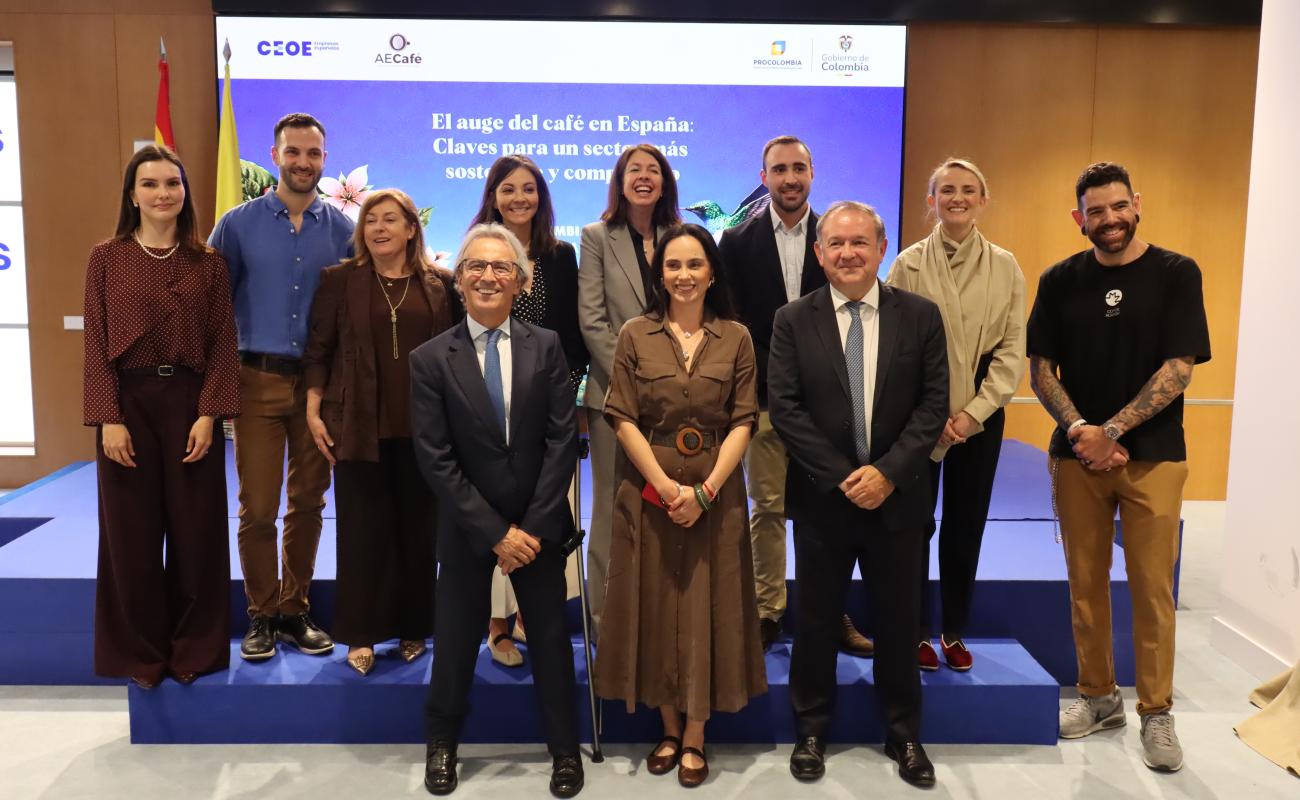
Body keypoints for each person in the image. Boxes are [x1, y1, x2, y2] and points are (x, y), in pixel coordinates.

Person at [1027, 162, 1210, 772]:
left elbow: (1179, 368)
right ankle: (1098, 696)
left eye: (1117, 207)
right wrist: (1083, 431)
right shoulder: (1059, 280)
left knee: (1152, 590)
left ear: (1137, 204)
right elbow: (1041, 370)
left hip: (1154, 458)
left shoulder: (1177, 272)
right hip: (1078, 457)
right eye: (1095, 211)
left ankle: (1156, 712)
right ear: (1078, 218)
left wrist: (1112, 432)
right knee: (1085, 585)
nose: (1109, 219)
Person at [769, 201, 948, 788]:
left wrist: (887, 474)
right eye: (836, 244)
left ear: (881, 248)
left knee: (899, 622)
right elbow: (785, 408)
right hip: (824, 500)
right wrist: (844, 475)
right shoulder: (792, 320)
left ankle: (903, 734)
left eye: (859, 242)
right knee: (816, 622)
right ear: (819, 253)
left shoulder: (920, 316)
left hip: (898, 499)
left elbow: (933, 406)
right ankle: (811, 731)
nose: (848, 253)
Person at [411, 224, 583, 798]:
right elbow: (434, 456)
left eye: (501, 267)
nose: (488, 277)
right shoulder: (430, 359)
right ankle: (442, 743)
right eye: (476, 268)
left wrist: (530, 528)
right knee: (455, 641)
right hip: (468, 527)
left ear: (520, 282)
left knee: (552, 642)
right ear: (459, 281)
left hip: (539, 526)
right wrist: (494, 532)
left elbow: (562, 439)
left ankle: (564, 750)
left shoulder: (548, 346)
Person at [593, 223, 767, 788]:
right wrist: (666, 489)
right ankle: (668, 729)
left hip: (718, 492)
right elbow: (622, 416)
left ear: (712, 272)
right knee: (656, 602)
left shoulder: (736, 337)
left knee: (703, 606)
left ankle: (695, 733)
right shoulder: (634, 335)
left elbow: (744, 420)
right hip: (649, 494)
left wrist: (706, 491)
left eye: (695, 264)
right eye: (673, 265)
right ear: (660, 274)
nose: (684, 275)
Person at [82, 144, 240, 688]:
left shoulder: (208, 263)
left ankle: (195, 646)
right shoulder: (106, 258)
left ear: (184, 192)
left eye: (172, 183)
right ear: (132, 195)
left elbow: (223, 344)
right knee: (132, 535)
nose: (162, 193)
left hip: (191, 406)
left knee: (197, 532)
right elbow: (96, 343)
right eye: (150, 184)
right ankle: (141, 652)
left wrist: (210, 414)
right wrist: (108, 417)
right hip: (127, 406)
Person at [209, 112, 354, 661]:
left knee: (309, 503)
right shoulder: (236, 225)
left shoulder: (344, 231)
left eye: (313, 153)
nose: (303, 162)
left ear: (324, 159)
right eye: (293, 152)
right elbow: (212, 307)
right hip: (255, 380)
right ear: (275, 156)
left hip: (318, 390)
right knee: (258, 507)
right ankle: (262, 614)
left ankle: (295, 610)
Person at [721, 135, 873, 657]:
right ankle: (767, 611)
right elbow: (733, 324)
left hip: (829, 403)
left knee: (829, 510)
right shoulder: (735, 243)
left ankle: (829, 612)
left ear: (812, 173)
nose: (789, 178)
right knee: (765, 509)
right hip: (764, 401)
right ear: (763, 177)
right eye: (779, 169)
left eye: (798, 168)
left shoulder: (836, 238)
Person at [302, 189, 460, 675]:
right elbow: (319, 349)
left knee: (419, 532)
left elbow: (456, 354)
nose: (379, 229)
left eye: (390, 220)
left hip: (425, 428)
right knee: (362, 532)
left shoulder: (441, 284)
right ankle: (362, 633)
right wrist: (313, 409)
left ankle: (413, 627)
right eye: (371, 220)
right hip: (356, 425)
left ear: (412, 229)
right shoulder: (338, 280)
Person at [886, 158, 1026, 672]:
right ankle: (915, 631)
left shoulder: (1006, 266)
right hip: (919, 412)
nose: (958, 198)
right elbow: (897, 346)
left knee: (966, 525)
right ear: (932, 200)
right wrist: (934, 413)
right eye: (947, 190)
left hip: (979, 416)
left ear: (983, 200)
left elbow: (1011, 350)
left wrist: (972, 413)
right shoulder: (907, 264)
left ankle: (953, 630)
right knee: (914, 524)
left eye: (968, 190)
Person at [468, 155, 588, 667]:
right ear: (493, 197)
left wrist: (563, 402)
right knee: (498, 514)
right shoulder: (478, 251)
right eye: (508, 189)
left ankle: (527, 616)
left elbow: (572, 341)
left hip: (545, 415)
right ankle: (496, 624)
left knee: (542, 511)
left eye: (528, 189)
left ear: (541, 197)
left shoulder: (560, 256)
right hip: (488, 411)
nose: (519, 198)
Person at [577, 143, 681, 632]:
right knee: (611, 505)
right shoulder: (597, 236)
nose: (643, 177)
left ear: (664, 182)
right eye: (633, 170)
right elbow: (592, 319)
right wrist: (633, 378)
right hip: (613, 396)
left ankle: (660, 616)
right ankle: (605, 621)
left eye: (652, 170)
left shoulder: (681, 238)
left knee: (665, 504)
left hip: (675, 396)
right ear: (620, 182)